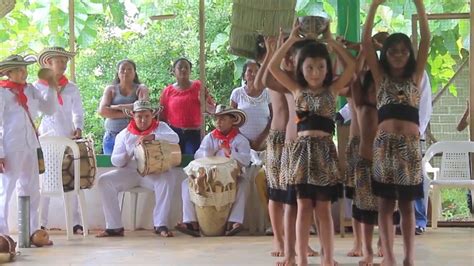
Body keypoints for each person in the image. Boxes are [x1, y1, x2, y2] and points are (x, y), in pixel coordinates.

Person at [269, 23, 355, 266]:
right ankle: (301, 258)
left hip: (324, 152)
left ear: (327, 69)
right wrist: (289, 40)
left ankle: (328, 259)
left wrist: (331, 41)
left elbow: (352, 66)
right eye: (309, 67)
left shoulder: (333, 89)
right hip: (301, 154)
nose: (315, 72)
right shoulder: (297, 90)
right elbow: (274, 67)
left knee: (324, 210)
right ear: (301, 69)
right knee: (303, 207)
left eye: (320, 67)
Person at [363, 0, 430, 265]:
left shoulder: (415, 77)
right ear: (386, 55)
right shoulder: (381, 78)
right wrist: (374, 7)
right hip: (384, 147)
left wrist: (419, 5)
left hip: (410, 148)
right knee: (385, 205)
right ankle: (389, 256)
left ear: (410, 54)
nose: (399, 54)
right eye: (393, 51)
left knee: (407, 207)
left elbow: (426, 39)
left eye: (403, 51)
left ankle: (409, 258)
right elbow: (367, 44)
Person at [96, 100, 178, 237]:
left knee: (167, 178)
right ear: (133, 116)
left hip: (152, 173)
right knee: (104, 181)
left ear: (152, 115)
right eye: (139, 116)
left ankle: (160, 224)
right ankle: (114, 227)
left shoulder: (160, 127)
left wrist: (153, 136)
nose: (143, 120)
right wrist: (128, 153)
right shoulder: (124, 134)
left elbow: (175, 138)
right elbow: (115, 161)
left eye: (146, 116)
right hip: (130, 172)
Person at [0, 55, 58, 245]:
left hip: (30, 144)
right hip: (11, 145)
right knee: (5, 190)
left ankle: (32, 231)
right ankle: (2, 234)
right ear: (8, 73)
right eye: (18, 69)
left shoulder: (31, 89)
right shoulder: (2, 92)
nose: (24, 72)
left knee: (32, 189)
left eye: (24, 68)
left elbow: (49, 109)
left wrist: (51, 87)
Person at [175, 105, 250, 237]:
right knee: (186, 184)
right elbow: (198, 156)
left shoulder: (240, 139)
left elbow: (245, 160)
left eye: (223, 119)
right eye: (216, 119)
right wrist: (209, 152)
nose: (218, 122)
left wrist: (229, 152)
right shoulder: (210, 137)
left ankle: (234, 222)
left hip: (231, 178)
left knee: (243, 184)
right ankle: (190, 222)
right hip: (207, 178)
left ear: (232, 120)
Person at [34, 47, 85, 234]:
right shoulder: (37, 87)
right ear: (48, 63)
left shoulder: (71, 87)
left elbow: (77, 111)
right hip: (45, 138)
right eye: (59, 61)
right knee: (44, 181)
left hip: (67, 137)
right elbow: (35, 112)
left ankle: (75, 223)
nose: (63, 65)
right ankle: (41, 224)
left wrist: (78, 127)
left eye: (65, 61)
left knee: (71, 180)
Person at [160, 58, 215, 155]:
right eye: (180, 67)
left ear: (190, 70)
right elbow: (162, 116)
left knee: (191, 160)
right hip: (174, 133)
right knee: (175, 161)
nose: (183, 69)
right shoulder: (167, 91)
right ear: (173, 71)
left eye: (186, 67)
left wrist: (203, 101)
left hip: (194, 133)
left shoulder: (199, 87)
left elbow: (211, 110)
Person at [98, 59, 149, 154]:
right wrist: (130, 113)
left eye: (129, 69)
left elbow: (143, 108)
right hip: (112, 136)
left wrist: (116, 107)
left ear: (134, 73)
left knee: (135, 167)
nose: (126, 72)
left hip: (134, 137)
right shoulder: (110, 89)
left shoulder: (141, 88)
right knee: (110, 166)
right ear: (118, 73)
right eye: (123, 69)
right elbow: (102, 111)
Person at [230, 60, 271, 151]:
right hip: (241, 143)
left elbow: (274, 118)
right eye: (249, 71)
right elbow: (231, 120)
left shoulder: (268, 93)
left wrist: (261, 138)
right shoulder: (237, 93)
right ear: (244, 75)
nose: (253, 74)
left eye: (257, 71)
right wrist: (244, 140)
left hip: (264, 144)